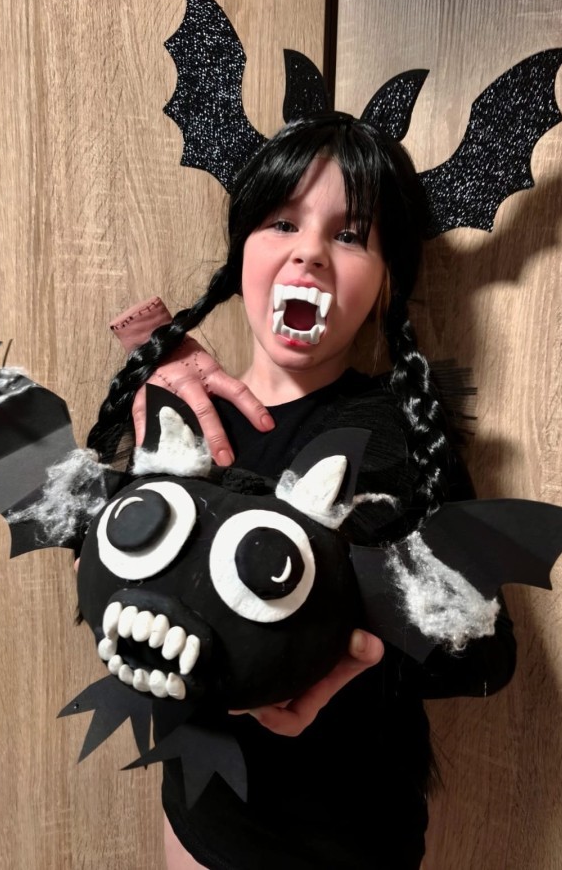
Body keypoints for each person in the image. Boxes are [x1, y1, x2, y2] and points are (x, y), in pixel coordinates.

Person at [87, 114, 516, 869]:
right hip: (195, 812)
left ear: (385, 282)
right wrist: (148, 360)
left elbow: (482, 659)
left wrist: (333, 657)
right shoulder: (185, 417)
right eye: (282, 222)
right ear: (242, 254)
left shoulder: (395, 439)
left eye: (350, 235)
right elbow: (108, 566)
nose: (310, 251)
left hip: (338, 837)